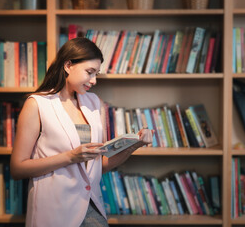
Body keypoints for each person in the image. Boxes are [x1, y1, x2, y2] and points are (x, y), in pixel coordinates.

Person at [10, 37, 153, 227]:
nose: (94, 81)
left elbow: (99, 166)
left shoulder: (94, 103)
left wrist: (134, 145)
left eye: (97, 74)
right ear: (68, 65)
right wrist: (70, 157)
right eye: (90, 72)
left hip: (91, 205)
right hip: (54, 210)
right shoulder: (37, 104)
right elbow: (17, 168)